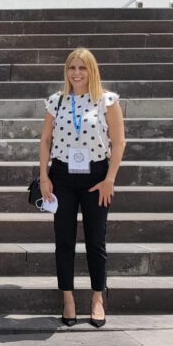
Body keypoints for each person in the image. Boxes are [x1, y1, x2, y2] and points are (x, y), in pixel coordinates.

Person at [38, 48, 125, 328]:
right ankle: (68, 298)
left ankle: (98, 298)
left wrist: (109, 179)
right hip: (62, 175)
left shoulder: (107, 101)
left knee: (95, 240)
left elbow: (119, 142)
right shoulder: (56, 101)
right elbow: (45, 141)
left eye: (82, 68)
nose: (77, 73)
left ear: (92, 71)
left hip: (96, 176)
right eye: (72, 68)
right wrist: (44, 176)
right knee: (63, 240)